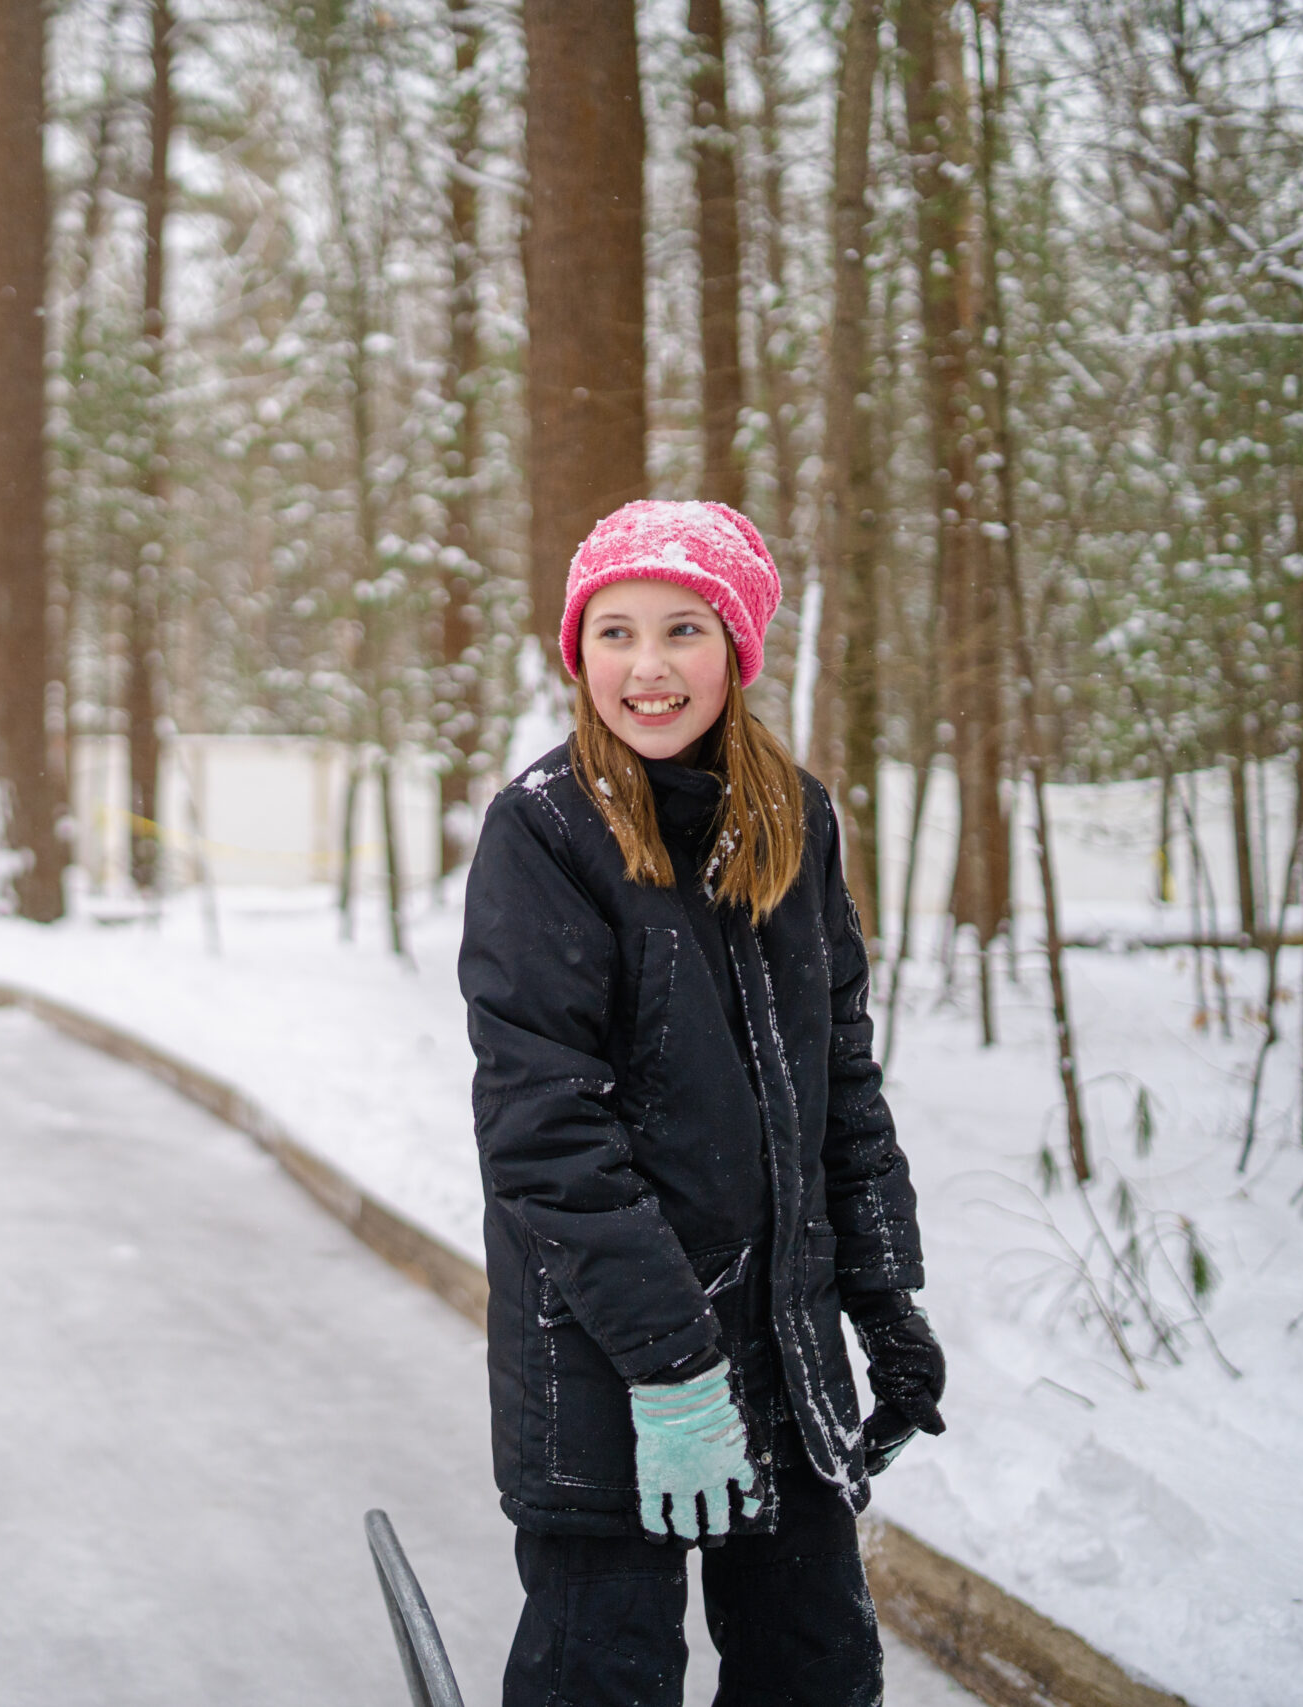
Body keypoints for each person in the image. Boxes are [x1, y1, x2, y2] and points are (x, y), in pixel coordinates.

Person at [459, 500, 943, 1707]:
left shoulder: (794, 819)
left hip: (780, 1348)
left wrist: (884, 1300)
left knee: (817, 1673)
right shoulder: (545, 830)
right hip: (608, 1356)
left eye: (682, 630)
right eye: (613, 633)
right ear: (579, 658)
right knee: (604, 1674)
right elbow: (545, 1132)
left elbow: (840, 1083)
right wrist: (674, 1371)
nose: (647, 666)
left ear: (736, 648)